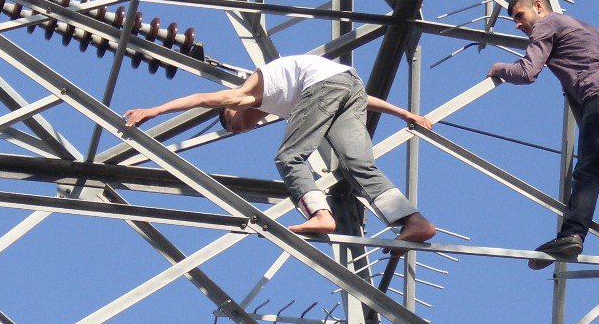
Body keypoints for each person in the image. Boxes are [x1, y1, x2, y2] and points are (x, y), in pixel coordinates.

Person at [124, 54, 436, 248]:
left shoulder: (247, 94)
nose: (236, 127)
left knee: (288, 156)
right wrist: (404, 113)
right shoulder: (289, 104)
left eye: (230, 122)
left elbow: (201, 98)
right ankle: (414, 222)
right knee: (357, 164)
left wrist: (156, 110)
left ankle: (320, 214)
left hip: (328, 86)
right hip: (348, 85)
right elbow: (356, 95)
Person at [487, 0, 599, 323]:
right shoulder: (587, 29)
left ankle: (571, 236)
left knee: (589, 170)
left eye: (520, 17)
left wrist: (498, 69)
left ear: (538, 6)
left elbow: (527, 72)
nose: (519, 26)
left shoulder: (547, 25)